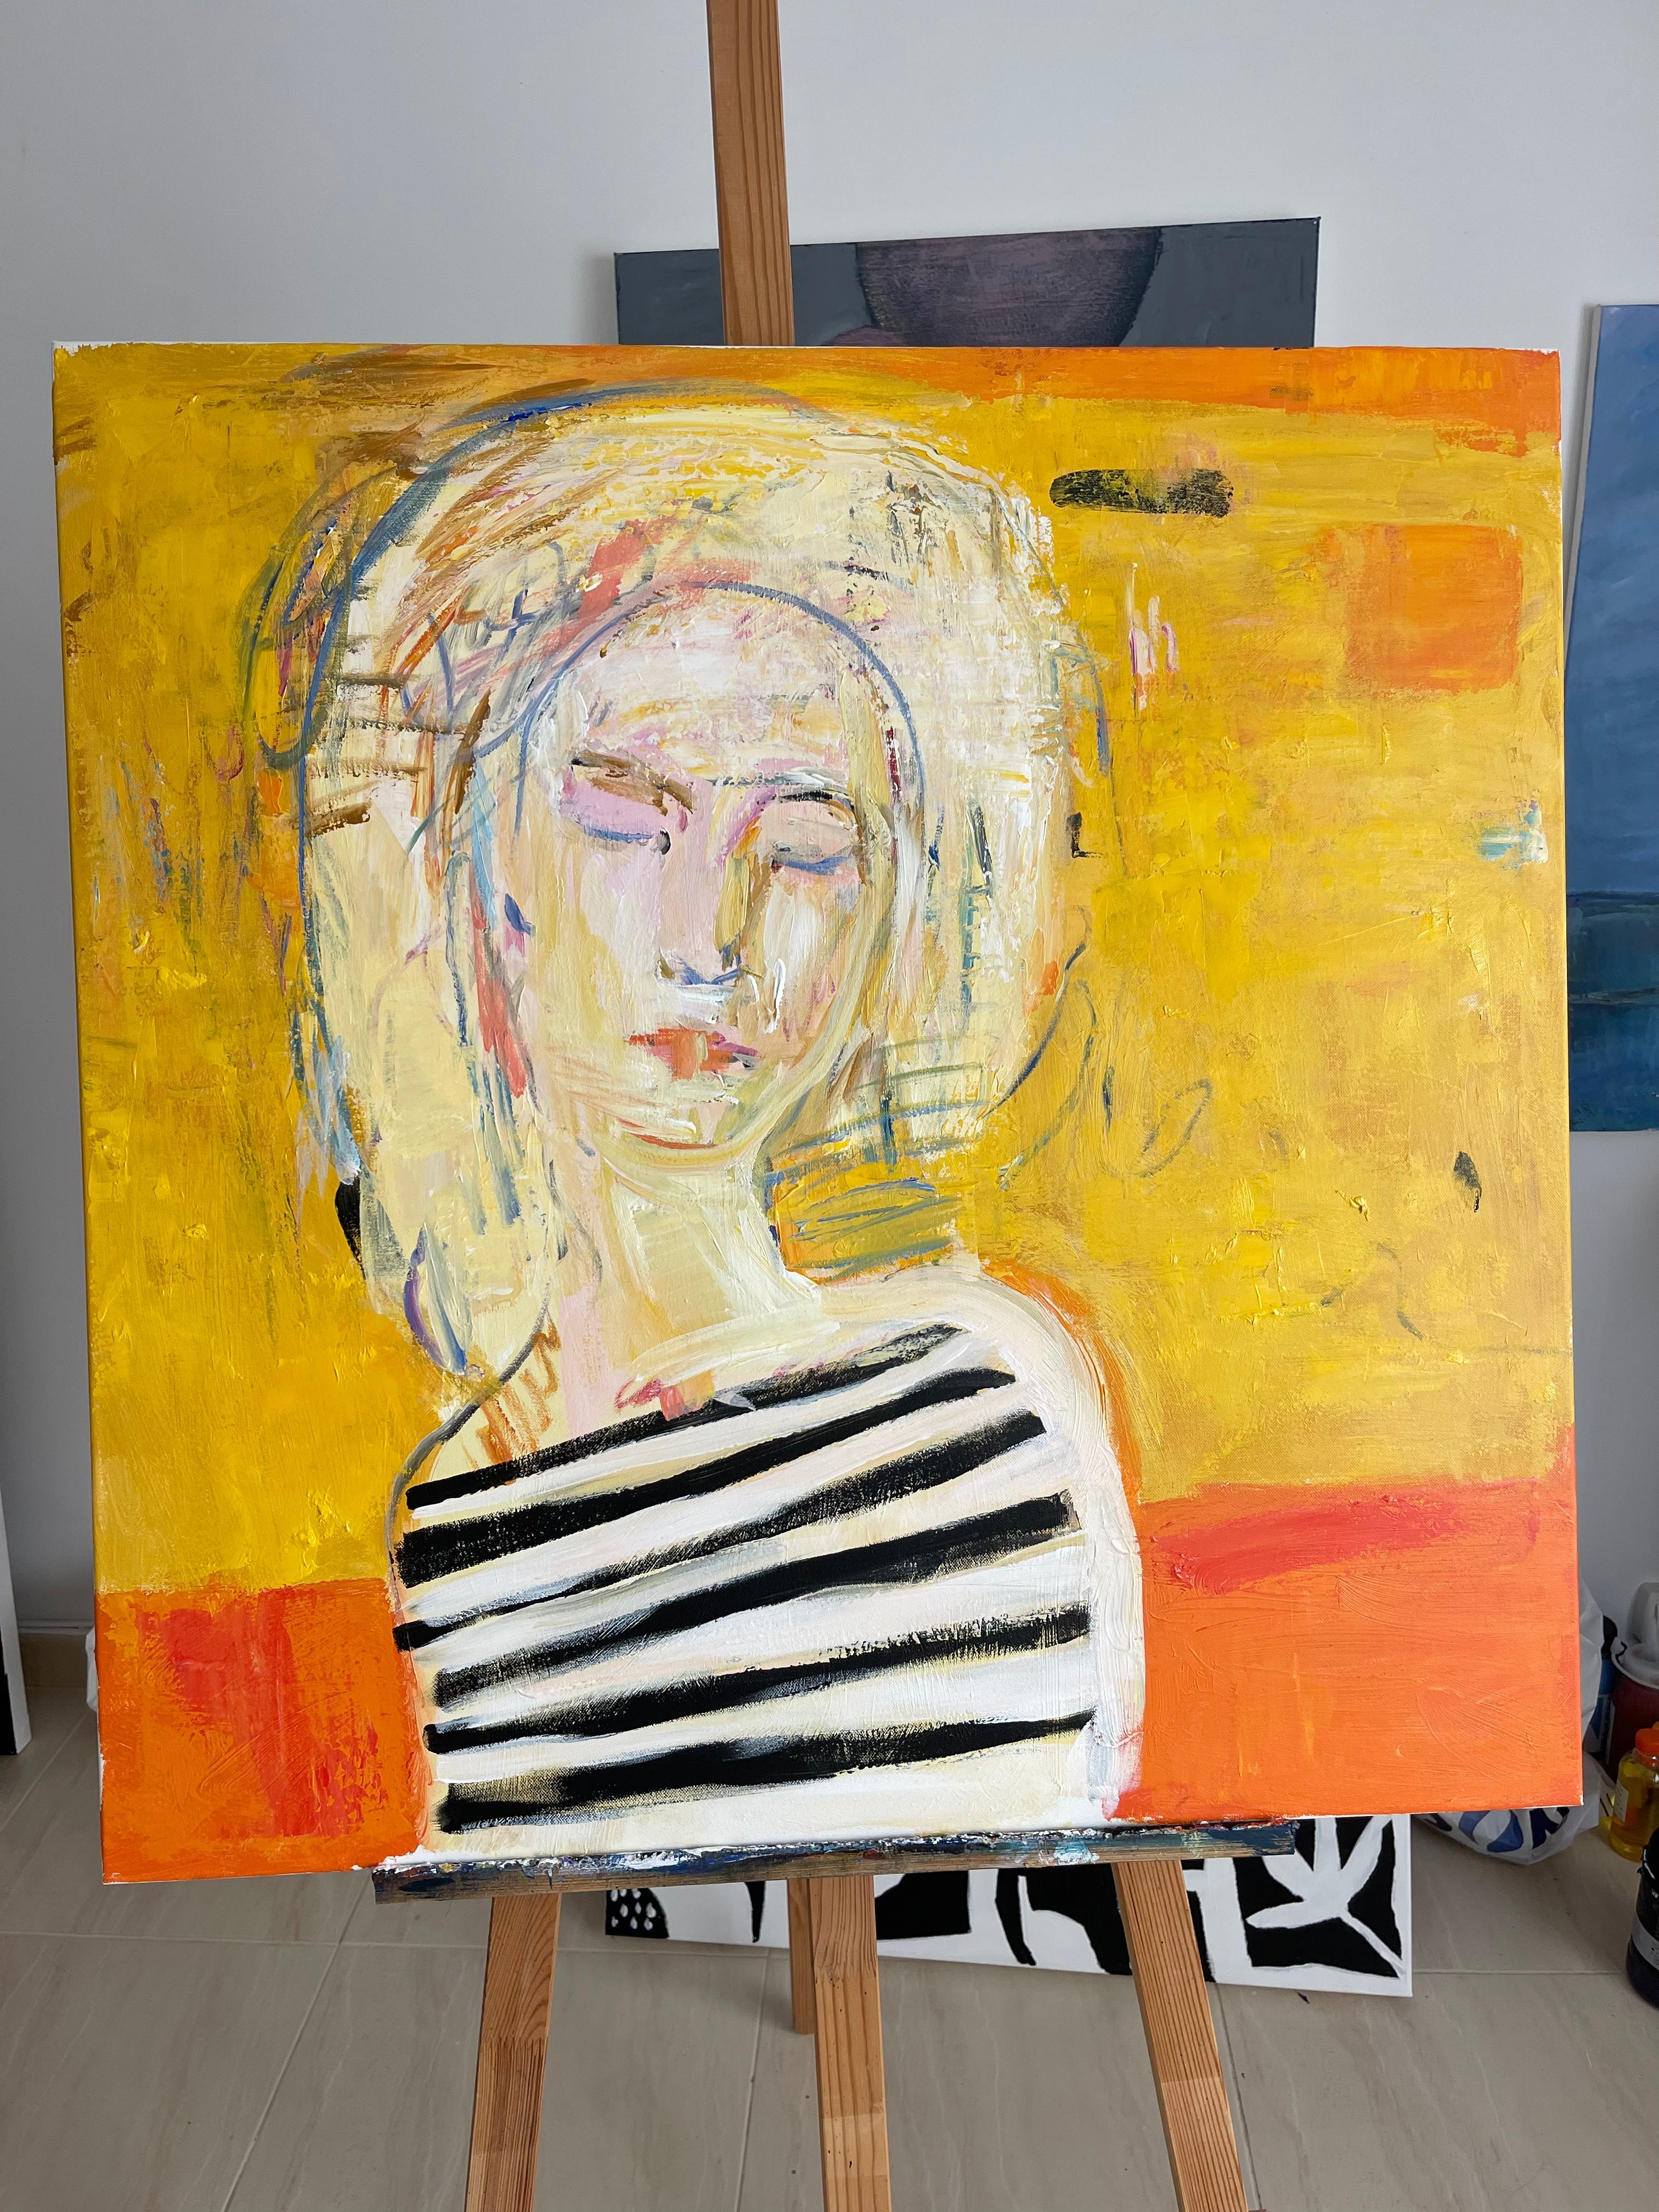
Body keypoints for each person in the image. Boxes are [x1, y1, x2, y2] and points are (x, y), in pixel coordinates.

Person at [257, 383, 1144, 1863]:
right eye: (624, 816)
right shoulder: (458, 1523)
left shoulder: (975, 1400)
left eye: (804, 846)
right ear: (475, 863)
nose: (707, 935)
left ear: (897, 918)